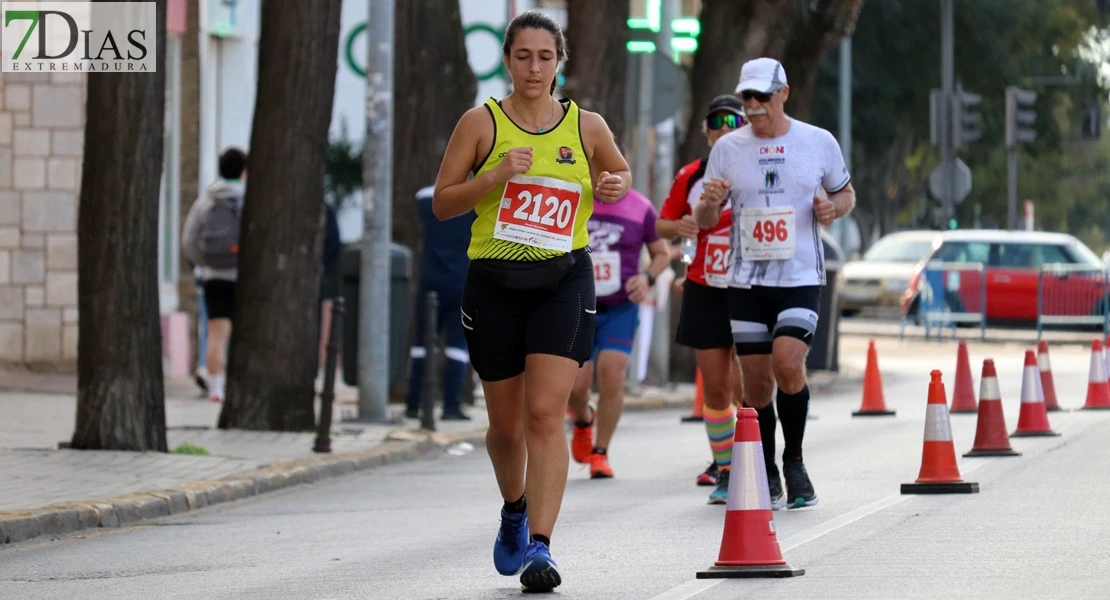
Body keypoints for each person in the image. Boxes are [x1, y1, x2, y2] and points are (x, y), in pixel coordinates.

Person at [432, 10, 630, 593]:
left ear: (559, 62)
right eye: (524, 56)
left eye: (545, 57)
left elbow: (617, 175)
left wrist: (616, 183)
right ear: (507, 60)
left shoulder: (586, 126)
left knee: (547, 411)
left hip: (563, 280)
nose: (534, 68)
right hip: (493, 283)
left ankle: (541, 547)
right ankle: (514, 507)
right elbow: (444, 203)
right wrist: (494, 176)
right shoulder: (481, 122)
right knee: (506, 428)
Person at [695, 58, 855, 510]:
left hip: (800, 276)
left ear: (783, 93)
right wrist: (709, 205)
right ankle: (766, 468)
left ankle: (796, 460)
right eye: (747, 97)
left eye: (762, 97)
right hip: (746, 281)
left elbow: (845, 193)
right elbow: (704, 219)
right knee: (758, 383)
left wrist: (833, 210)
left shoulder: (817, 141)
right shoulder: (728, 149)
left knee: (788, 364)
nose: (753, 106)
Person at [658, 94, 747, 504]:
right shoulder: (692, 175)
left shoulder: (763, 169)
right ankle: (727, 469)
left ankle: (761, 465)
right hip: (705, 286)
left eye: (734, 121)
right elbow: (662, 225)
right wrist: (683, 225)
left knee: (748, 384)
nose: (725, 128)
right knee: (715, 388)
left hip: (750, 286)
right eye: (717, 122)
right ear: (707, 132)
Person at [567, 179, 670, 479]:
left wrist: (647, 278)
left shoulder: (641, 207)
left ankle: (600, 452)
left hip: (621, 306)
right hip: (577, 305)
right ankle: (585, 419)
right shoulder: (577, 195)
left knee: (612, 373)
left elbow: (661, 253)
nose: (609, 176)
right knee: (575, 387)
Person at [182, 147, 248, 404]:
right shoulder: (250, 199)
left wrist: (205, 262)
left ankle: (217, 388)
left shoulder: (207, 200)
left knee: (217, 334)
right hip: (244, 278)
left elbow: (188, 240)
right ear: (244, 171)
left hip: (214, 276)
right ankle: (239, 386)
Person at [405, 184, 476, 421]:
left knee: (422, 344)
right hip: (461, 281)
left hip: (430, 279)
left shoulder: (428, 200)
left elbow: (421, 194)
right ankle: (451, 406)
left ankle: (414, 403)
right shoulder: (472, 204)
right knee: (457, 346)